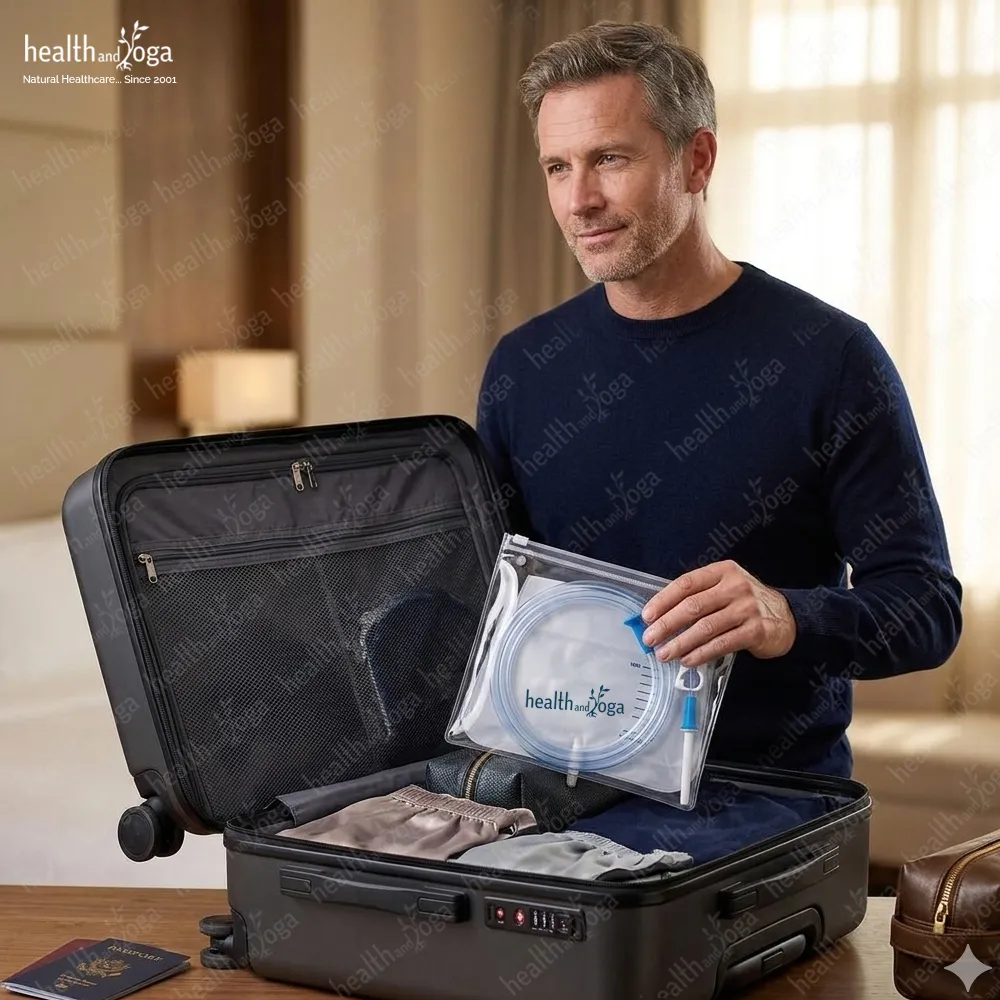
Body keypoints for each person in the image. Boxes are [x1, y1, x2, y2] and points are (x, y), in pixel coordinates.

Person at [475, 20, 962, 779]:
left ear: (696, 159)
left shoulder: (830, 358)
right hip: (561, 790)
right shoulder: (523, 366)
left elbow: (927, 608)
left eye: (610, 159)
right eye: (557, 167)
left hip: (768, 802)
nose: (580, 200)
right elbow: (490, 596)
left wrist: (786, 615)